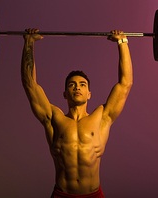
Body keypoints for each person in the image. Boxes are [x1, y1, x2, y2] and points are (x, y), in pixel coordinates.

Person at [21, 28, 133, 198]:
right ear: (65, 93)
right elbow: (29, 84)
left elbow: (125, 84)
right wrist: (29, 42)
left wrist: (122, 42)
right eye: (72, 85)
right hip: (62, 194)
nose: (77, 87)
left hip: (93, 195)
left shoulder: (102, 117)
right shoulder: (54, 118)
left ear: (89, 93)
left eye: (82, 84)